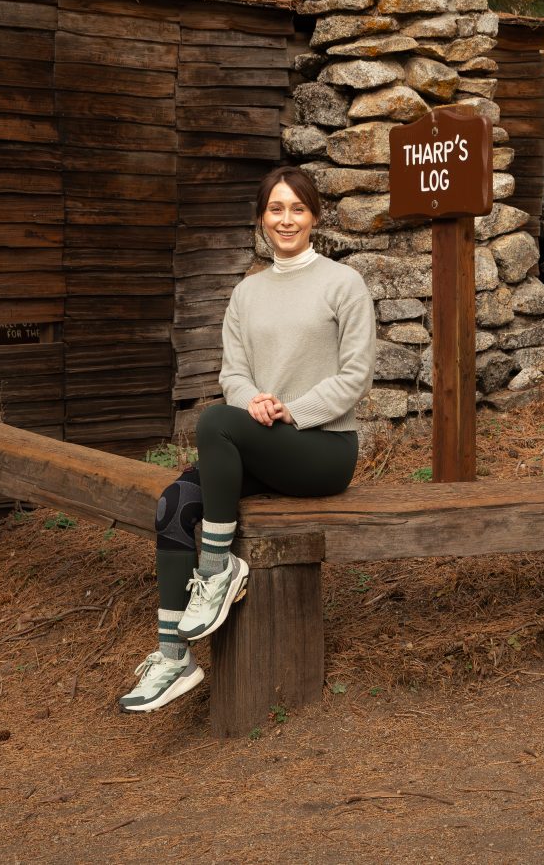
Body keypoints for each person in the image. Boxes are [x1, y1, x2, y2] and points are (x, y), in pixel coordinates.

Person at [118, 164, 377, 712]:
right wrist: (254, 400)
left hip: (323, 450)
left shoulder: (342, 283)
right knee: (174, 502)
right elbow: (232, 376)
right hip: (263, 440)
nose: (287, 219)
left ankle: (216, 570)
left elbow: (356, 376)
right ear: (262, 218)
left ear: (315, 216)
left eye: (298, 209)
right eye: (276, 209)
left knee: (214, 423)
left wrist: (290, 410)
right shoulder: (247, 293)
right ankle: (173, 656)